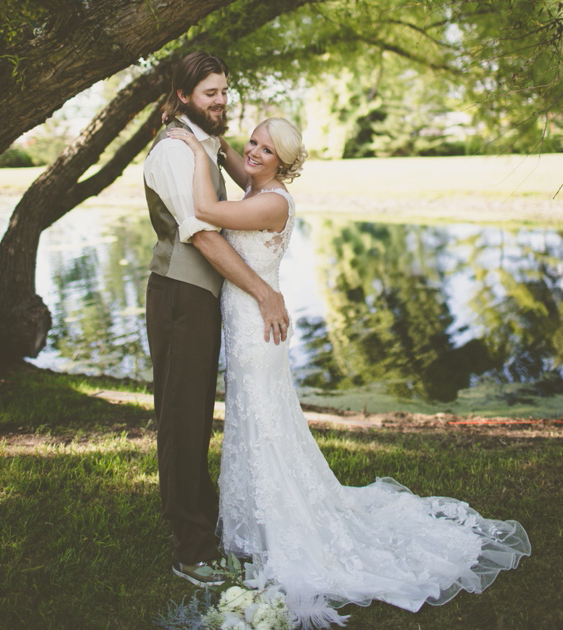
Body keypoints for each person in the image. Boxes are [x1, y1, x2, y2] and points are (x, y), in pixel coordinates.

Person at [169, 116, 531, 627]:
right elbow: (238, 163)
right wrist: (217, 144)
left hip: (257, 329)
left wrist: (188, 145)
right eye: (253, 141)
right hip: (247, 320)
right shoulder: (258, 183)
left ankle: (272, 526)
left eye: (266, 149)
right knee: (255, 419)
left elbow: (205, 210)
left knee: (261, 421)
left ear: (284, 163)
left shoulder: (270, 201)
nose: (253, 152)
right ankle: (252, 520)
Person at [143, 52, 290, 589]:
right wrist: (264, 293)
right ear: (183, 95)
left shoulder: (201, 140)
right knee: (182, 421)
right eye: (211, 93)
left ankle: (202, 526)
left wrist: (226, 142)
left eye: (225, 91)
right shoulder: (174, 152)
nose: (221, 101)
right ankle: (190, 549)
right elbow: (201, 234)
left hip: (202, 299)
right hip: (180, 295)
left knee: (196, 417)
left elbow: (237, 160)